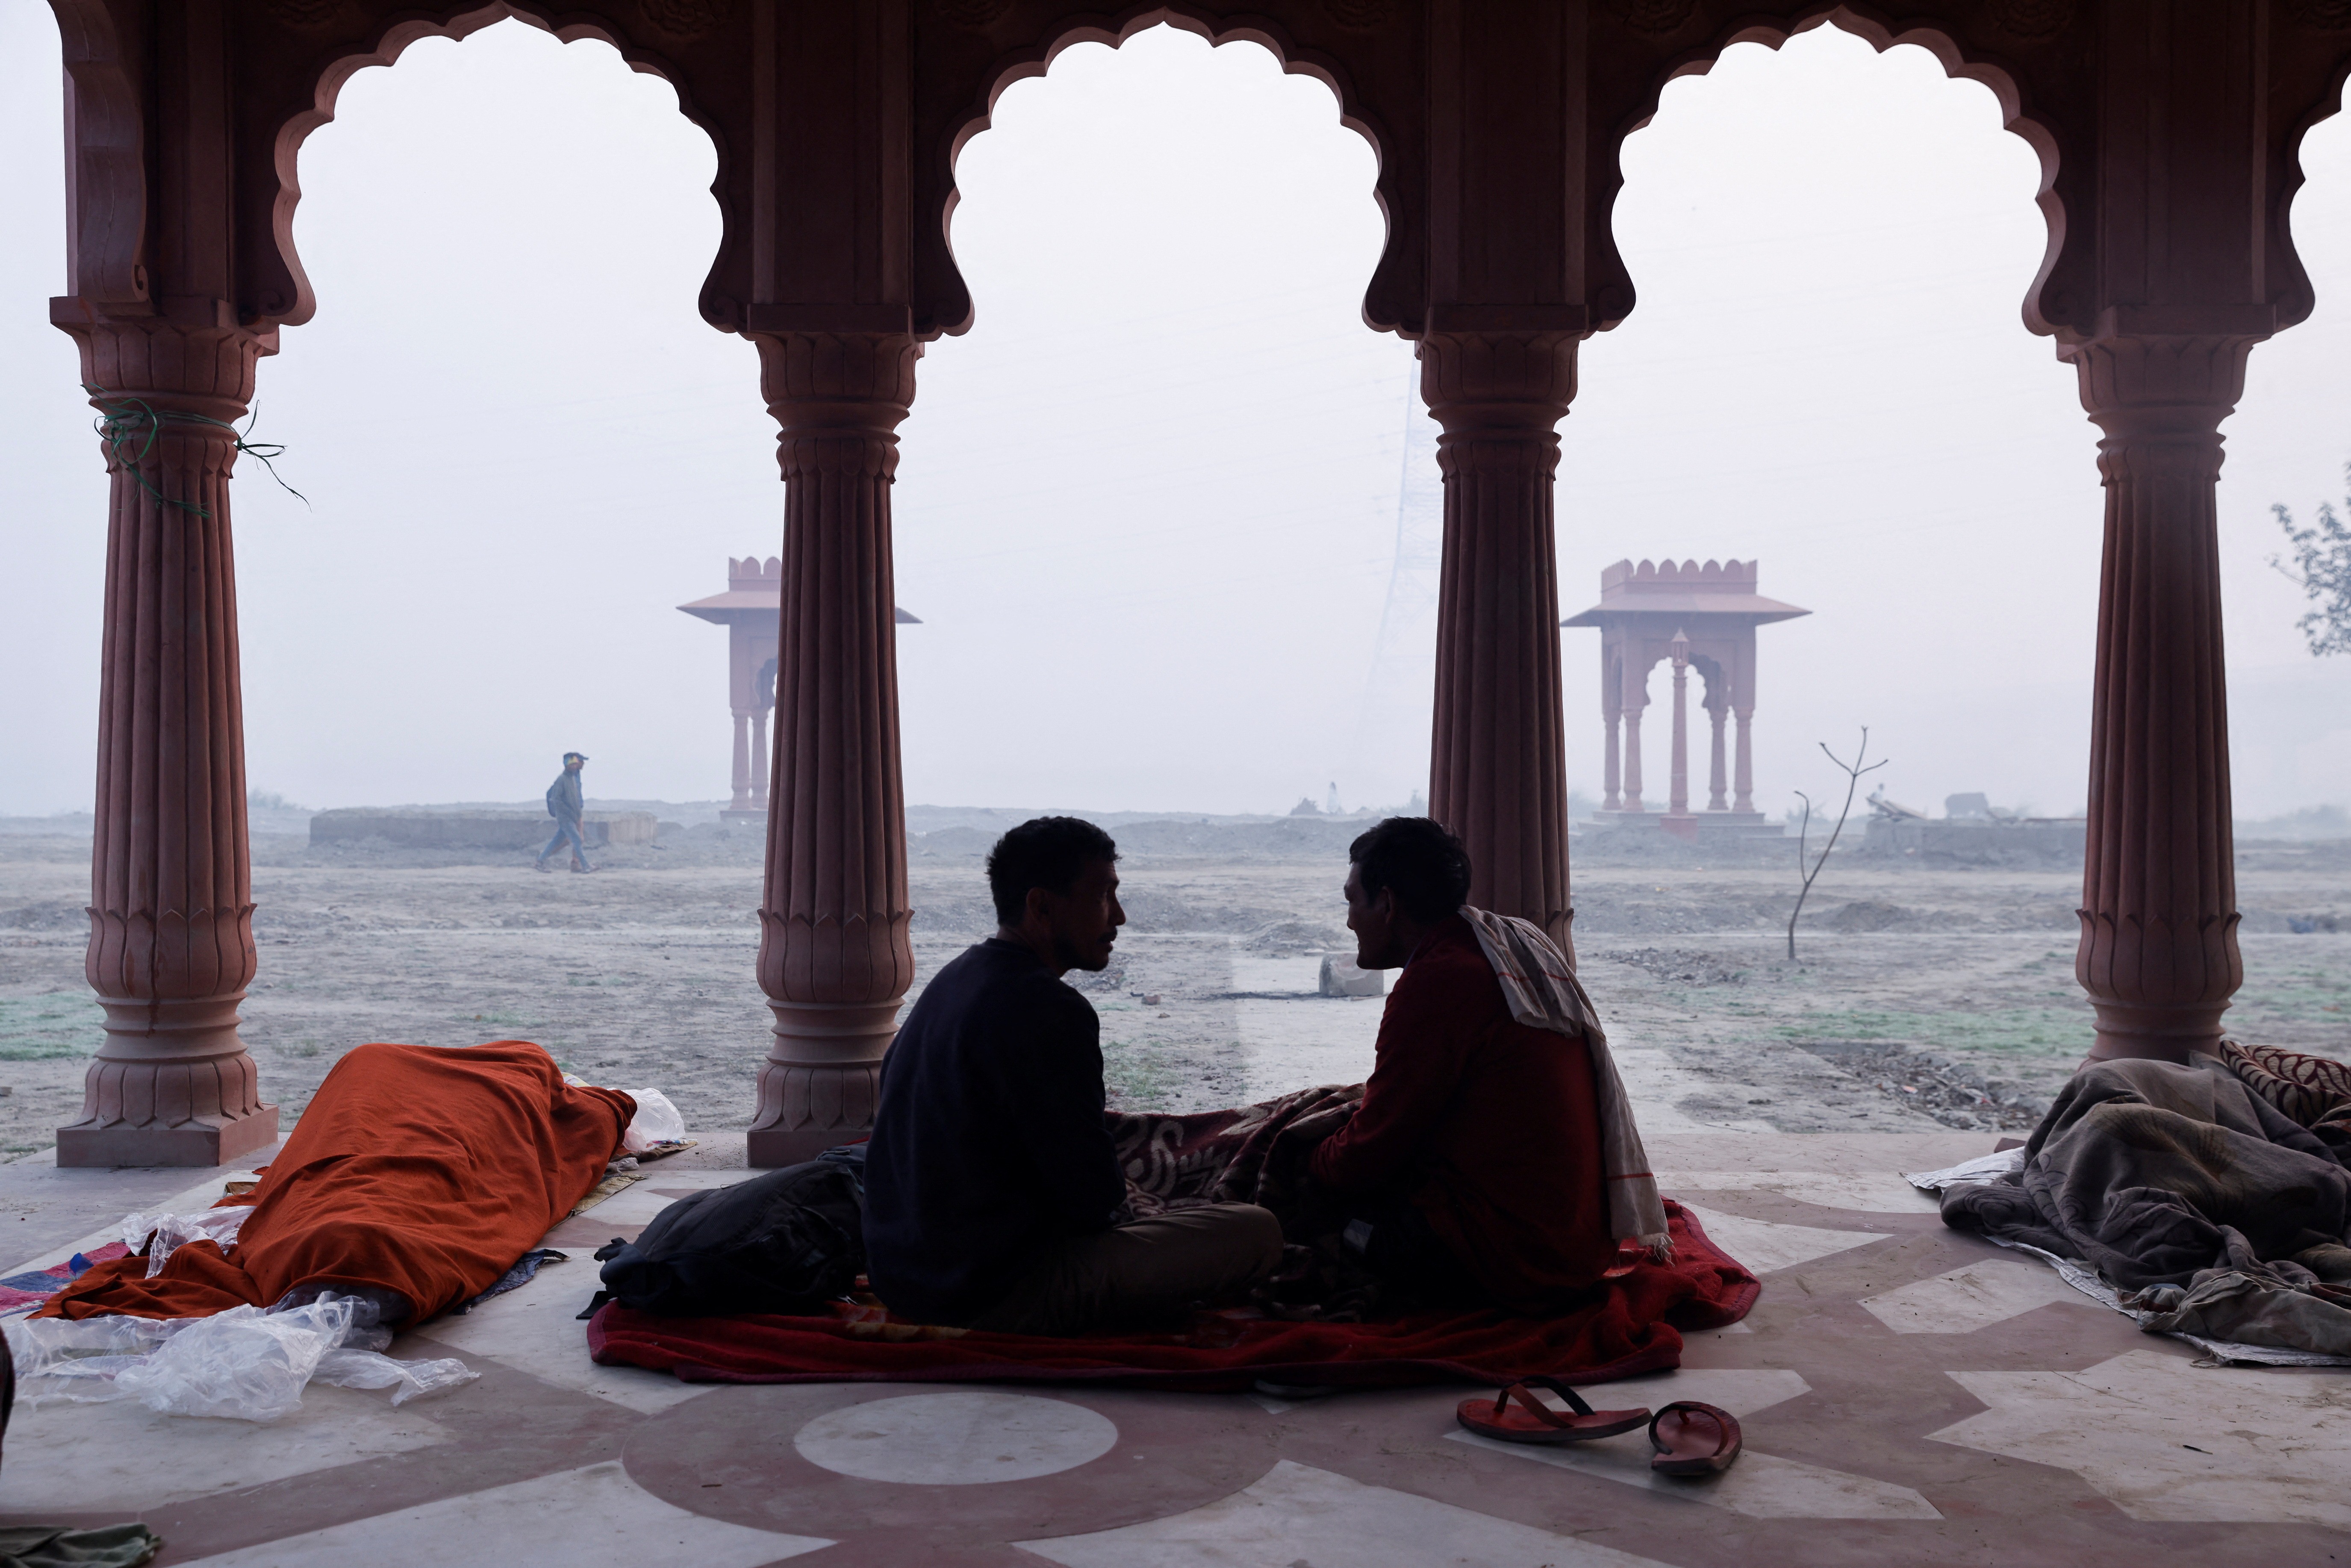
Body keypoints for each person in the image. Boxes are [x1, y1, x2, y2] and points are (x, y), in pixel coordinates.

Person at [863, 816, 1282, 1334]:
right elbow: (1091, 1198)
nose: (1120, 916)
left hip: (903, 1274)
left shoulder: (956, 976)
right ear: (1041, 905)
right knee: (1255, 1231)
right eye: (1103, 895)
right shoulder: (1048, 1008)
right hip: (991, 1292)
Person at [1309, 816, 1629, 1311]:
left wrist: (1306, 1163)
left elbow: (1369, 1152)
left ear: (1388, 903)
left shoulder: (1439, 981)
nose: (1350, 919)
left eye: (1352, 900)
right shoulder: (1498, 944)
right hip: (1577, 1243)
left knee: (1315, 1207)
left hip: (1514, 1263)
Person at [534, 752, 595, 873]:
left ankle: (540, 861)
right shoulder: (562, 780)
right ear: (567, 765)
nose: (575, 766)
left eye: (575, 764)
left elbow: (574, 800)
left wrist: (576, 814)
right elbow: (557, 799)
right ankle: (585, 866)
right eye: (572, 764)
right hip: (566, 818)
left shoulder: (572, 779)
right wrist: (568, 813)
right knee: (577, 840)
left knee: (557, 841)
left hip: (572, 817)